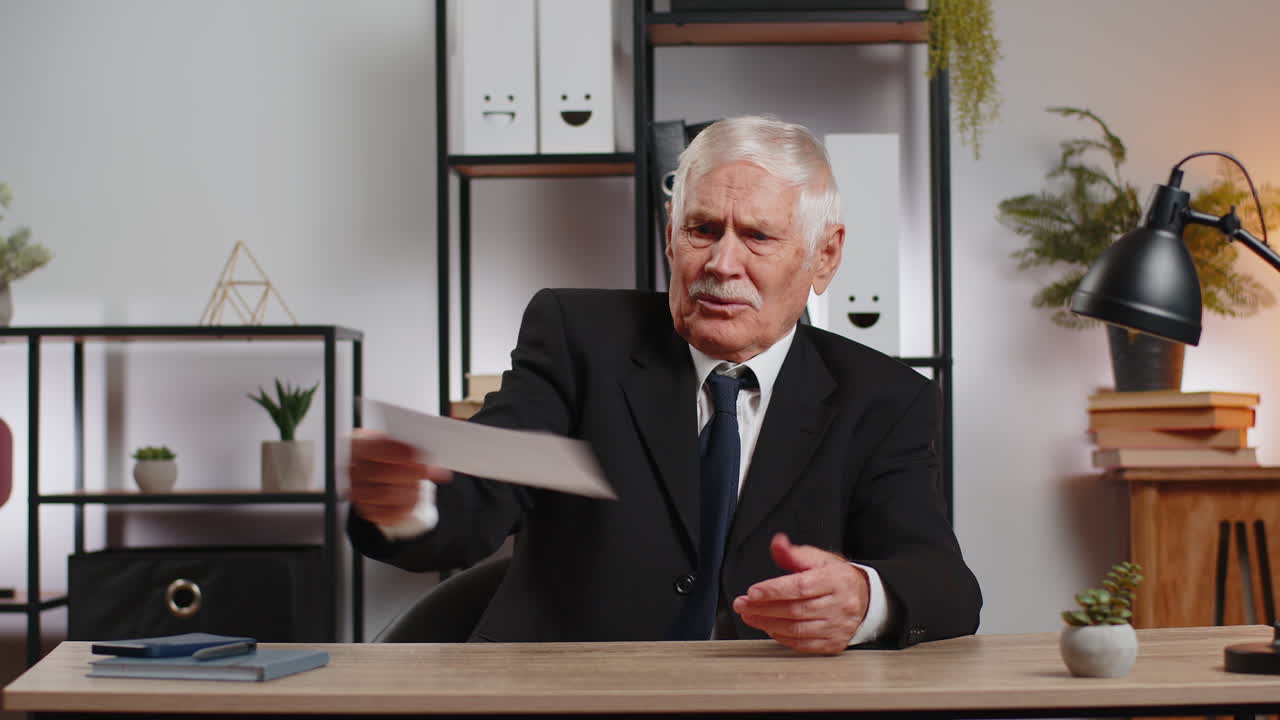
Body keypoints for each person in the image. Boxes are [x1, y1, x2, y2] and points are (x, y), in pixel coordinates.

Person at [348, 115, 981, 654]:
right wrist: (406, 503)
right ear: (672, 234)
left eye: (758, 236)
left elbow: (944, 585)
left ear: (825, 256)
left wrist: (864, 599)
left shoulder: (886, 397)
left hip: (771, 704)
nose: (721, 264)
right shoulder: (578, 339)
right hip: (570, 701)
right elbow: (486, 488)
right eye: (702, 230)